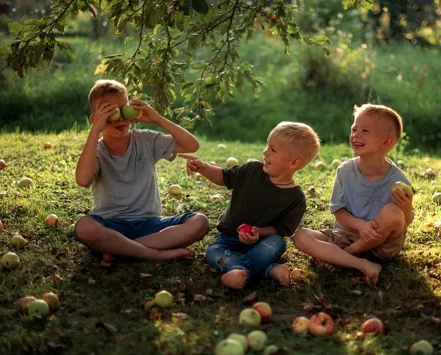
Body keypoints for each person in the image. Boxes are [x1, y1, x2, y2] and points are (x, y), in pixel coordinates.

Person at [73, 79, 209, 263]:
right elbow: (83, 180)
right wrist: (95, 131)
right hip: (110, 224)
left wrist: (157, 119)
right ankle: (154, 253)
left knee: (200, 222)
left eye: (123, 109)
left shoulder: (146, 140)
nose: (120, 118)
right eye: (109, 112)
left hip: (150, 224)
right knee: (84, 227)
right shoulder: (95, 151)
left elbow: (192, 145)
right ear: (95, 119)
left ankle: (121, 249)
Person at [179, 122, 320, 289]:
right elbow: (224, 177)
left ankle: (239, 269)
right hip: (228, 239)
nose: (265, 152)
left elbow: (281, 229)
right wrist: (202, 167)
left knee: (278, 243)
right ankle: (268, 270)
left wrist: (259, 232)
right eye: (267, 146)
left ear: (294, 163)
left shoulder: (296, 198)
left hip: (262, 243)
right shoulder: (251, 170)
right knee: (213, 252)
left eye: (272, 150)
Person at [293, 104, 414, 286]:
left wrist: (406, 207)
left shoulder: (398, 179)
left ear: (386, 142)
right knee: (300, 236)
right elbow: (339, 213)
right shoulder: (345, 171)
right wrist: (361, 226)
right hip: (348, 235)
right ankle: (361, 263)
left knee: (393, 212)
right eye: (354, 129)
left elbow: (405, 220)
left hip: (383, 244)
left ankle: (345, 256)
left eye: (365, 131)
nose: (356, 135)